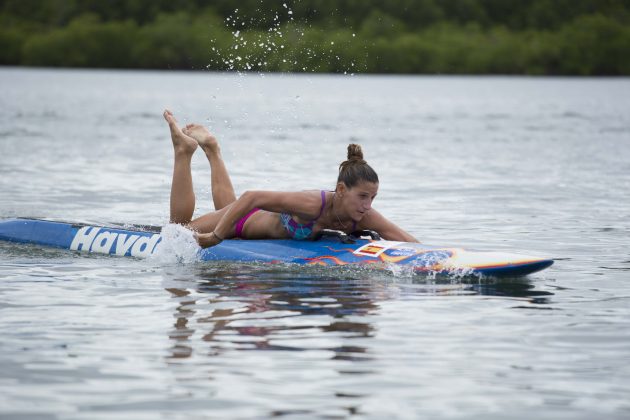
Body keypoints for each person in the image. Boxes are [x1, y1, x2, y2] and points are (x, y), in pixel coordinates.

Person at [164, 109, 418, 248]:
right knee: (177, 230)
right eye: (362, 196)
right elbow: (252, 197)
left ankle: (212, 148)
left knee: (226, 207)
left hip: (243, 218)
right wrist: (216, 237)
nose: (367, 205)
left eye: (372, 198)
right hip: (243, 223)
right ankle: (184, 151)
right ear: (341, 189)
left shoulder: (365, 215)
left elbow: (406, 240)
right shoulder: (312, 204)